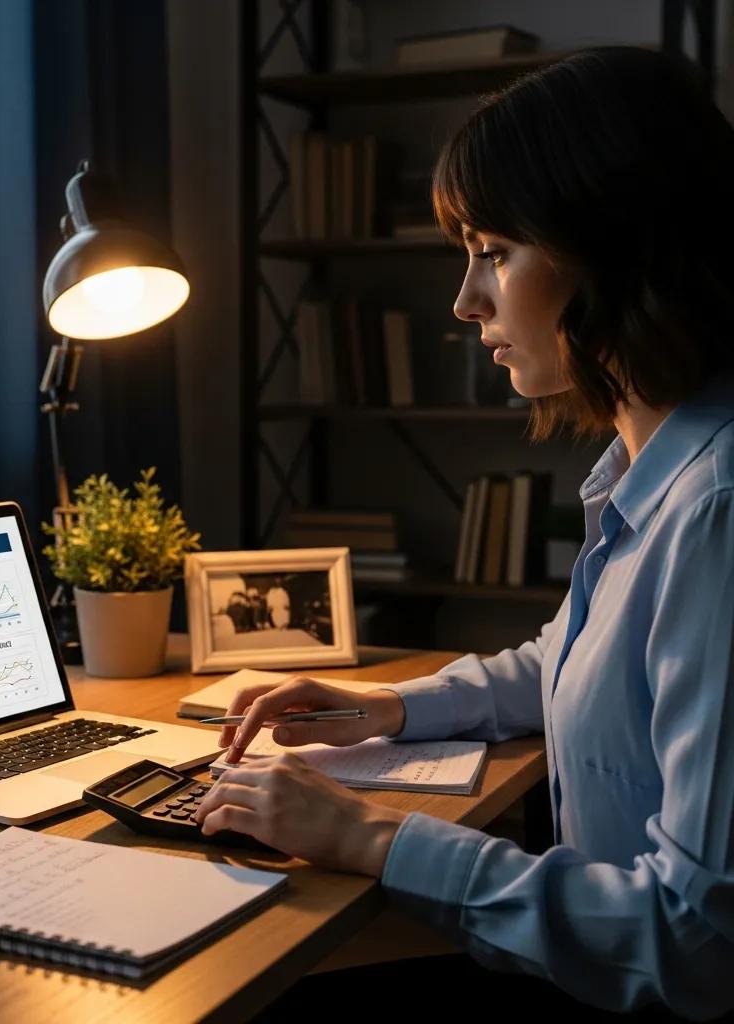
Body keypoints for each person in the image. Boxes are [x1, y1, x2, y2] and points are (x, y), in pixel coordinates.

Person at [194, 47, 734, 1020]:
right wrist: (386, 708)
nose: (464, 299)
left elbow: (691, 941)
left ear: (611, 247)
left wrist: (370, 835)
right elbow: (573, 662)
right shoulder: (650, 471)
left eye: (492, 250)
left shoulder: (715, 513)